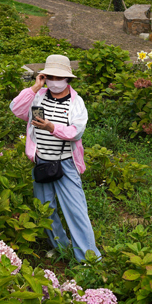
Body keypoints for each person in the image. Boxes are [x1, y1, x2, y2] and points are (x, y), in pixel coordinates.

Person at [10, 55, 100, 262]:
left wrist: (50, 127)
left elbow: (75, 132)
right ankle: (61, 247)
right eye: (49, 76)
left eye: (59, 77)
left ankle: (88, 258)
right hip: (42, 162)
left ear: (68, 79)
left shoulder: (76, 103)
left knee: (76, 211)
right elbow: (16, 108)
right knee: (46, 209)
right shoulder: (38, 96)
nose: (54, 81)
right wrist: (34, 87)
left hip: (65, 163)